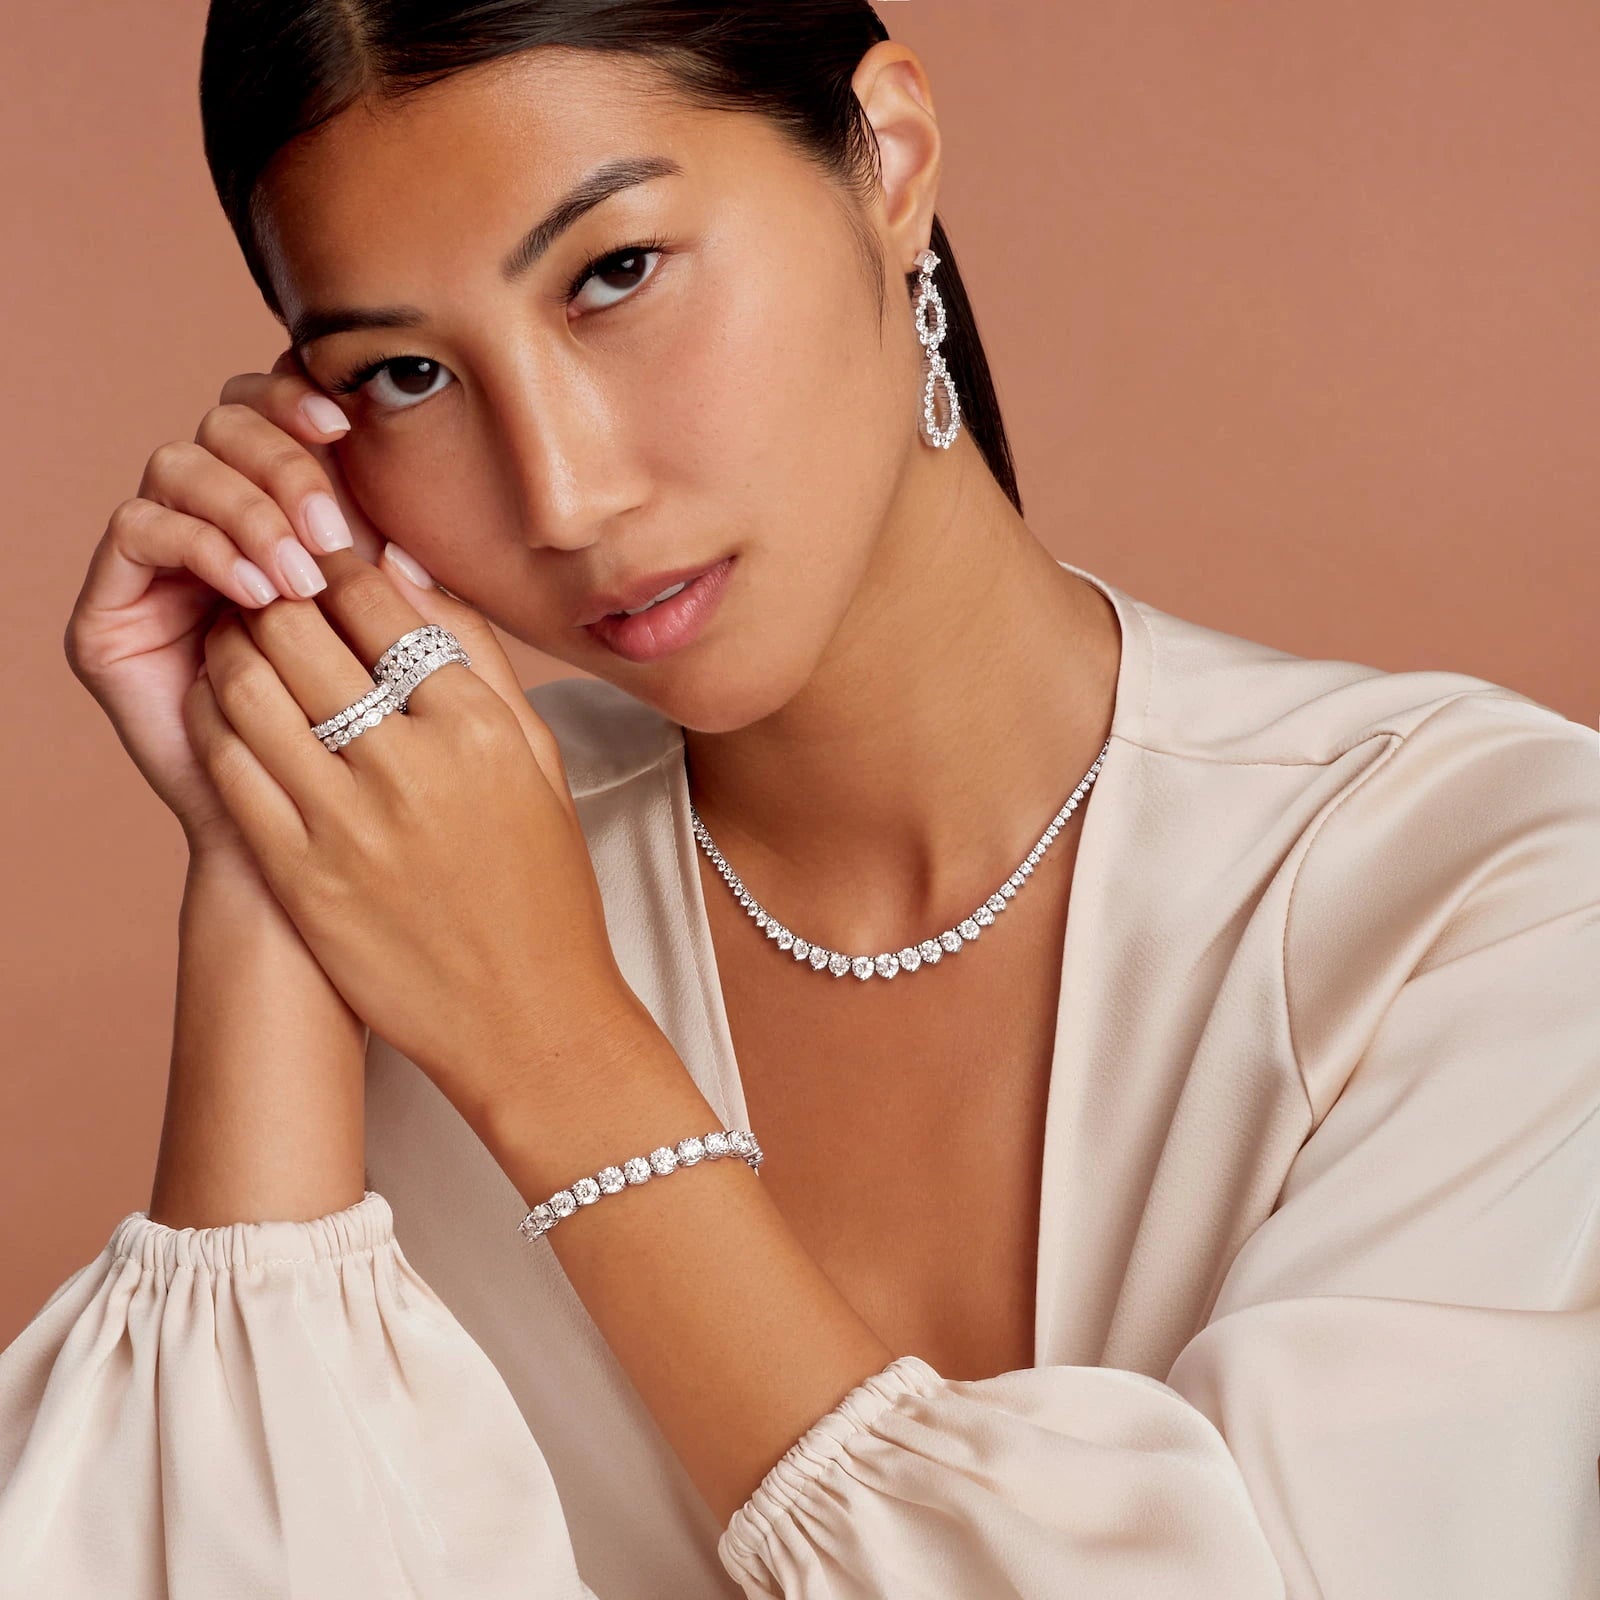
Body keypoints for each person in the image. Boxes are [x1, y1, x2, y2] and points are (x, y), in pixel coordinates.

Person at [2, 3, 1597, 1596]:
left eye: (614, 274)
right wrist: (268, 852)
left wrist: (554, 1051)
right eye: (408, 373)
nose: (564, 492)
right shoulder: (416, 893)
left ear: (887, 161)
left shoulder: (1486, 889)